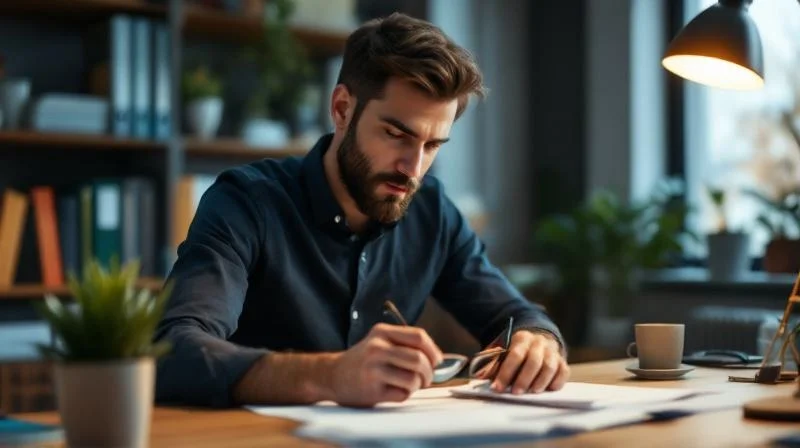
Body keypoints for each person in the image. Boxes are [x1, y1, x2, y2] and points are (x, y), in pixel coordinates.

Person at [155, 12, 569, 409]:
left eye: (432, 145)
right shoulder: (246, 203)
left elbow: (515, 315)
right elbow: (176, 349)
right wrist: (332, 374)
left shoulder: (432, 212)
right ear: (341, 109)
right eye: (395, 134)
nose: (413, 168)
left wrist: (537, 340)